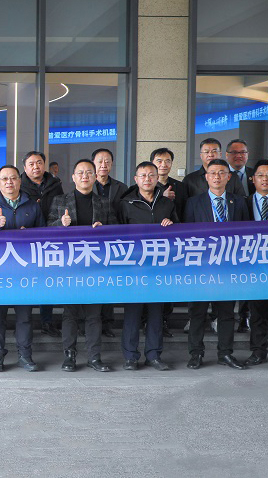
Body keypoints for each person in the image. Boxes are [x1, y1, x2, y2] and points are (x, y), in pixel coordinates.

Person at [47, 159, 115, 372]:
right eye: (80, 173)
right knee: (71, 313)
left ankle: (94, 357)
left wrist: (104, 228)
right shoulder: (60, 200)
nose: (85, 176)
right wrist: (61, 224)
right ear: (73, 177)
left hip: (95, 265)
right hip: (70, 265)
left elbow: (116, 230)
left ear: (95, 177)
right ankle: (69, 356)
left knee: (94, 314)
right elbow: (47, 228)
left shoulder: (104, 202)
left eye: (89, 173)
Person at [0, 165, 44, 372]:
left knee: (24, 315)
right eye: (4, 179)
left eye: (13, 178)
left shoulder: (32, 206)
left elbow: (44, 235)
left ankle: (25, 355)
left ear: (19, 181)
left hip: (25, 270)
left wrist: (29, 233)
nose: (9, 182)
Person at [184, 159, 249, 370]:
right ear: (206, 177)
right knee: (197, 313)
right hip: (201, 267)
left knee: (226, 313)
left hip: (228, 268)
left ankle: (225, 353)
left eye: (222, 173)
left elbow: (246, 235)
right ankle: (196, 354)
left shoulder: (239, 202)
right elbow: (186, 237)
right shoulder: (193, 203)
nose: (217, 176)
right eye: (213, 173)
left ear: (229, 177)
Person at [118, 162, 178, 371]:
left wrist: (171, 225)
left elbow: (179, 231)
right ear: (136, 179)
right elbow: (116, 235)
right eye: (143, 175)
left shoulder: (166, 203)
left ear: (157, 178)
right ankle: (130, 356)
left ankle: (153, 355)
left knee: (155, 313)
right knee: (133, 313)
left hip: (159, 267)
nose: (147, 179)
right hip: (134, 267)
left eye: (151, 175)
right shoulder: (126, 204)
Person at [19, 150, 64, 337]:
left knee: (47, 281)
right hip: (26, 240)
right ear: (24, 167)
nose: (35, 167)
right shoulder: (19, 184)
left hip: (49, 238)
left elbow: (61, 206)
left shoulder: (55, 184)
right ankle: (26, 322)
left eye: (39, 163)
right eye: (31, 164)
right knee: (28, 281)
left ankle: (47, 321)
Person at [150, 147, 189, 337]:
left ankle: (165, 320)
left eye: (167, 161)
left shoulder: (180, 187)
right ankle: (149, 321)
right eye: (159, 161)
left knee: (169, 284)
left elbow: (185, 212)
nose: (163, 164)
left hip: (174, 243)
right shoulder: (147, 185)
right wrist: (162, 199)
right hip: (150, 244)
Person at [244, 160, 268, 367]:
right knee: (257, 312)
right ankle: (258, 352)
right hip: (254, 266)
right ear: (253, 179)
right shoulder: (243, 203)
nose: (265, 179)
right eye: (260, 175)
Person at [91, 148, 127, 338]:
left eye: (107, 161)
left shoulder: (122, 188)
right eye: (100, 161)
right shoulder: (85, 184)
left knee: (108, 283)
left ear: (112, 164)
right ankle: (88, 323)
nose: (103, 165)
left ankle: (107, 323)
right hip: (89, 244)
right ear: (93, 164)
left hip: (112, 241)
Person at [224, 138, 255, 332]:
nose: (239, 156)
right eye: (234, 152)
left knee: (246, 277)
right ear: (227, 155)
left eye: (242, 152)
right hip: (225, 236)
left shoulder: (255, 174)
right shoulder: (221, 174)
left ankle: (245, 316)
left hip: (249, 235)